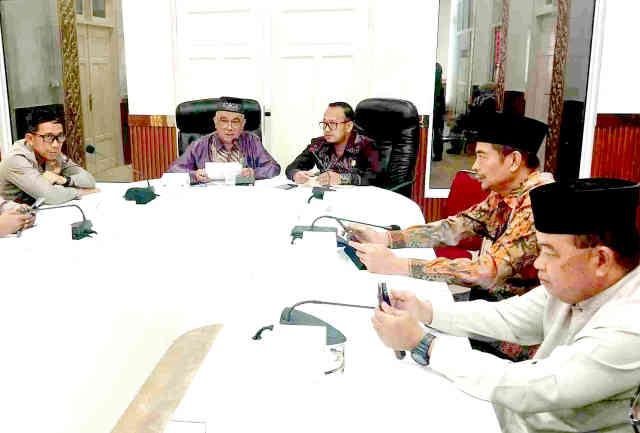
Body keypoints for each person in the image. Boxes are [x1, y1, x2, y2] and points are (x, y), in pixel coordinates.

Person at [371, 178, 640, 433]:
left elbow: (533, 387)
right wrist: (426, 310)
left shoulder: (630, 324)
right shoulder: (578, 282)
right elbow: (508, 317)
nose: (538, 263)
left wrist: (424, 345)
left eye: (550, 252)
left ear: (601, 260)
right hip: (513, 414)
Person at [349, 113, 553, 360]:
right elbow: (455, 227)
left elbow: (485, 272)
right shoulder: (507, 193)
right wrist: (387, 239)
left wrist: (397, 265)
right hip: (488, 311)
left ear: (514, 161)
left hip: (512, 340)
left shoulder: (537, 204)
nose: (474, 167)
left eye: (482, 156)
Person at [167, 97, 280, 183]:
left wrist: (254, 173)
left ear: (243, 124)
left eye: (235, 121)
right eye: (224, 120)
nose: (229, 127)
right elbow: (173, 170)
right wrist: (194, 174)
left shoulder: (252, 141)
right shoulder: (199, 144)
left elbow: (274, 168)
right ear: (215, 122)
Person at [0, 107, 98, 205]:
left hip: (39, 209)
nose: (56, 144)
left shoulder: (52, 153)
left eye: (60, 136)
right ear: (30, 139)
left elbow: (89, 180)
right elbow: (51, 196)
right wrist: (80, 192)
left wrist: (63, 180)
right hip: (12, 212)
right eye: (48, 137)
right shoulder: (16, 159)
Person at [285, 102, 379, 186]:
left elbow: (377, 176)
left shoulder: (367, 145)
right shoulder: (318, 145)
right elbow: (292, 168)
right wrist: (296, 174)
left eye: (333, 123)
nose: (327, 129)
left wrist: (342, 179)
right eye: (325, 123)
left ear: (349, 126)